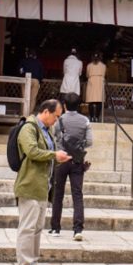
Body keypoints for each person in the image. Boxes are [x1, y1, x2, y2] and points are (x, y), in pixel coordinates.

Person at [14, 98, 70, 265]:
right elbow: (32, 151)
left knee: (37, 228)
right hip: (29, 184)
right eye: (56, 116)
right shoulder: (28, 128)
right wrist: (54, 155)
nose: (57, 120)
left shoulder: (47, 130)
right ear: (46, 112)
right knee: (27, 227)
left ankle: (32, 262)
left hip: (42, 186)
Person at [49, 93, 93, 240]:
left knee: (58, 193)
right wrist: (78, 145)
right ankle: (78, 229)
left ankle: (55, 228)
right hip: (77, 161)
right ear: (79, 104)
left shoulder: (58, 120)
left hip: (61, 159)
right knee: (77, 195)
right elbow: (89, 142)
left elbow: (54, 136)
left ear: (65, 105)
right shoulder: (85, 121)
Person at [18, 49, 44, 113]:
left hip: (25, 80)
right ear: (35, 56)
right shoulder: (38, 62)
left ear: (27, 55)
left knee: (24, 97)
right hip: (35, 80)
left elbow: (20, 71)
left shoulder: (23, 61)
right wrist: (39, 81)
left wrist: (22, 76)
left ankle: (23, 113)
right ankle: (29, 113)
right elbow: (42, 74)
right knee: (33, 98)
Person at [84, 53, 106, 122]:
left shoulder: (89, 65)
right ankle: (96, 117)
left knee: (91, 101)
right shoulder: (103, 66)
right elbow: (104, 74)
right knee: (99, 101)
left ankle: (91, 117)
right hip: (99, 82)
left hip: (92, 82)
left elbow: (87, 75)